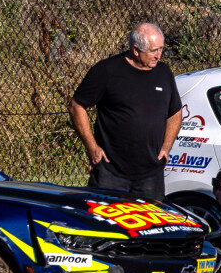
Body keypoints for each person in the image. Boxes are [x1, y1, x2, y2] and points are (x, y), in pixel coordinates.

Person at [68, 23, 182, 199]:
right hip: (111, 172)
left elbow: (175, 112)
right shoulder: (107, 71)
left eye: (160, 49)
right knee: (106, 225)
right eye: (153, 51)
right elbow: (77, 105)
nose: (158, 55)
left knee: (151, 224)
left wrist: (166, 147)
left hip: (150, 174)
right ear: (135, 50)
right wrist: (92, 148)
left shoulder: (164, 73)